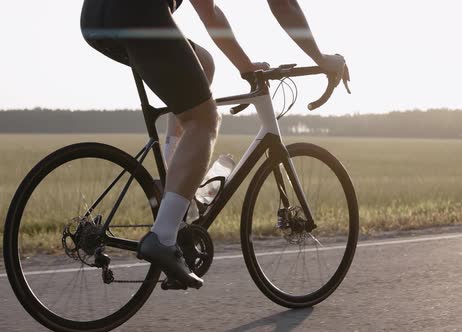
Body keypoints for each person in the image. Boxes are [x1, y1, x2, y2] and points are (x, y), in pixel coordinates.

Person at [81, 0, 345, 290]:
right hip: (139, 12)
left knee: (202, 64)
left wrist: (246, 68)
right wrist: (321, 59)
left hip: (96, 16)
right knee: (206, 120)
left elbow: (209, 11)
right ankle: (164, 237)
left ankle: (172, 184)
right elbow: (283, 5)